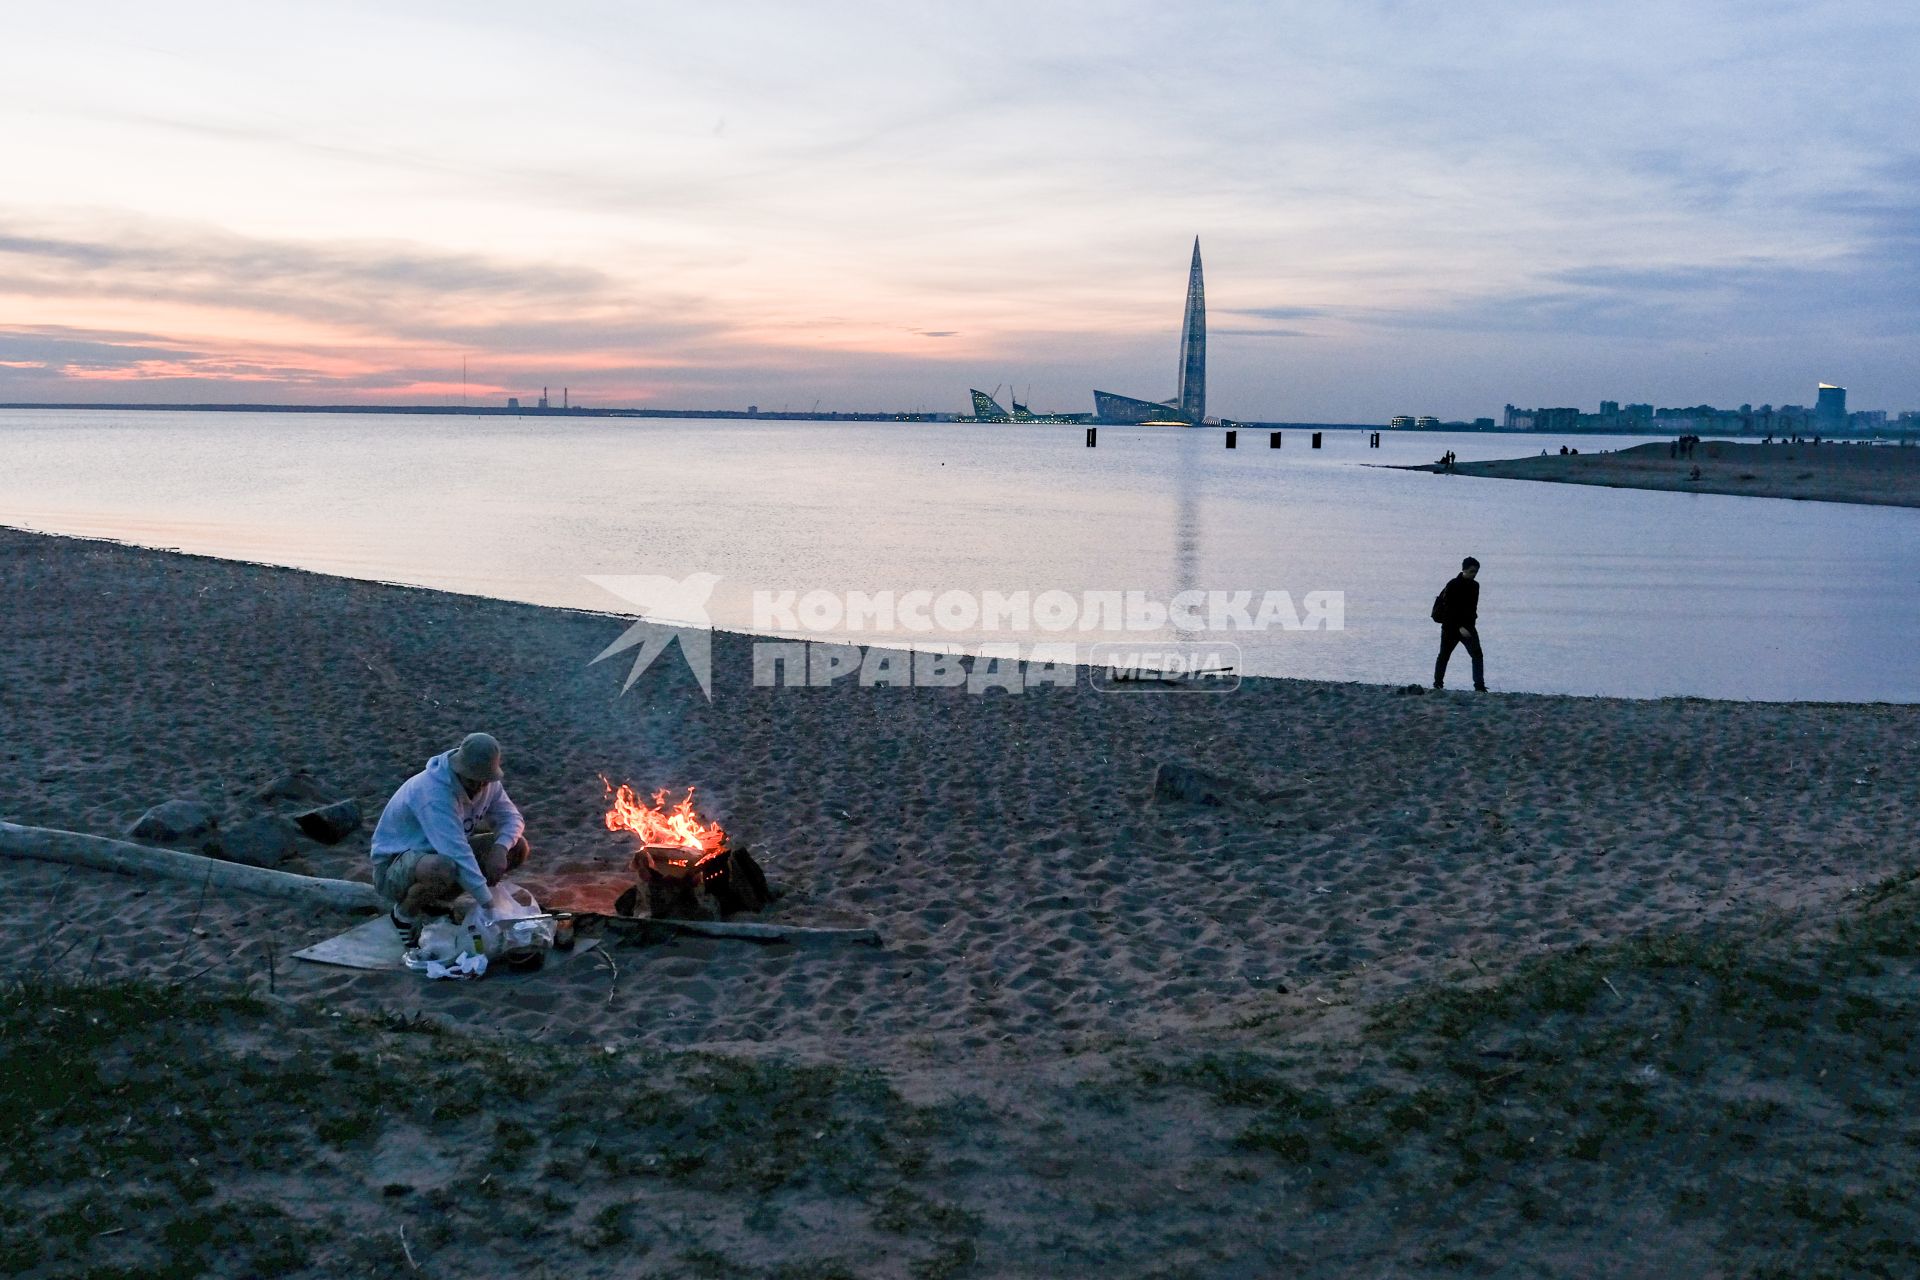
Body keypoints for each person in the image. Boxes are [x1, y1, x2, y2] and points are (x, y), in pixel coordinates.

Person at [370, 732, 529, 942]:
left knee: (517, 847)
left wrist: (500, 849)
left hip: (441, 856)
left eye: (485, 779)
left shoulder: (488, 783)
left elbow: (512, 818)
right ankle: (403, 915)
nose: (480, 786)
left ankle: (436, 902)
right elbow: (456, 852)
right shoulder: (434, 792)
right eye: (473, 779)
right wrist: (490, 907)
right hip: (394, 868)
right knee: (443, 866)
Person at [1432, 557, 1486, 692]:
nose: (1474, 574)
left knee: (1477, 654)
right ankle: (1438, 685)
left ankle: (1479, 687)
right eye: (1472, 571)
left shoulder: (1475, 586)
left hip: (1468, 628)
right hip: (1450, 628)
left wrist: (1470, 626)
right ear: (1464, 570)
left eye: (1476, 572)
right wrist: (1459, 627)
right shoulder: (1453, 585)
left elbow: (1472, 609)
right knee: (1444, 655)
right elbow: (1449, 610)